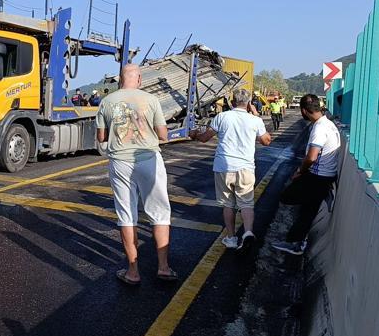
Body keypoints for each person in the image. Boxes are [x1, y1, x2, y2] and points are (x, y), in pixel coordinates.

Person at [96, 64, 177, 285]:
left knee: (126, 214)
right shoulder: (151, 100)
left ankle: (133, 271)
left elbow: (101, 137)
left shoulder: (107, 102)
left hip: (120, 162)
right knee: (159, 212)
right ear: (139, 79)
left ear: (120, 80)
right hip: (149, 159)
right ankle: (164, 267)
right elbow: (163, 135)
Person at [190, 89, 272, 252]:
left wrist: (194, 134)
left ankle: (231, 238)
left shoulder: (222, 117)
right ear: (248, 103)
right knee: (246, 203)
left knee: (228, 204)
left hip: (223, 166)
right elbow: (266, 141)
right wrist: (256, 116)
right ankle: (248, 232)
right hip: (246, 167)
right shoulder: (254, 120)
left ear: (232, 102)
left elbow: (205, 137)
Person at [272, 94, 340, 255]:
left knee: (286, 196)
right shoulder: (328, 123)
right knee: (308, 210)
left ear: (304, 111)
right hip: (327, 175)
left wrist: (300, 172)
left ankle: (296, 241)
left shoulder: (319, 128)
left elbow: (311, 156)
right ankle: (296, 242)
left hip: (318, 176)